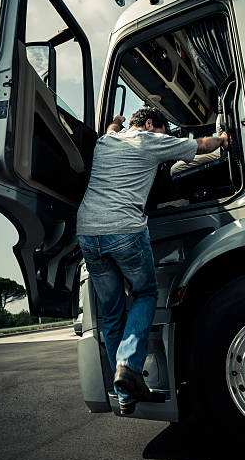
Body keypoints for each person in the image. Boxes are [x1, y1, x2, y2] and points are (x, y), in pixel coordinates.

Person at [77, 107, 228, 414]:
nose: (166, 138)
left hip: (87, 233)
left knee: (112, 312)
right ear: (149, 124)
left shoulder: (107, 141)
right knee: (144, 293)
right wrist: (223, 139)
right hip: (124, 230)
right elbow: (201, 146)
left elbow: (109, 127)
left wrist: (116, 123)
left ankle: (125, 395)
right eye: (164, 130)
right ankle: (128, 367)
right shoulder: (149, 140)